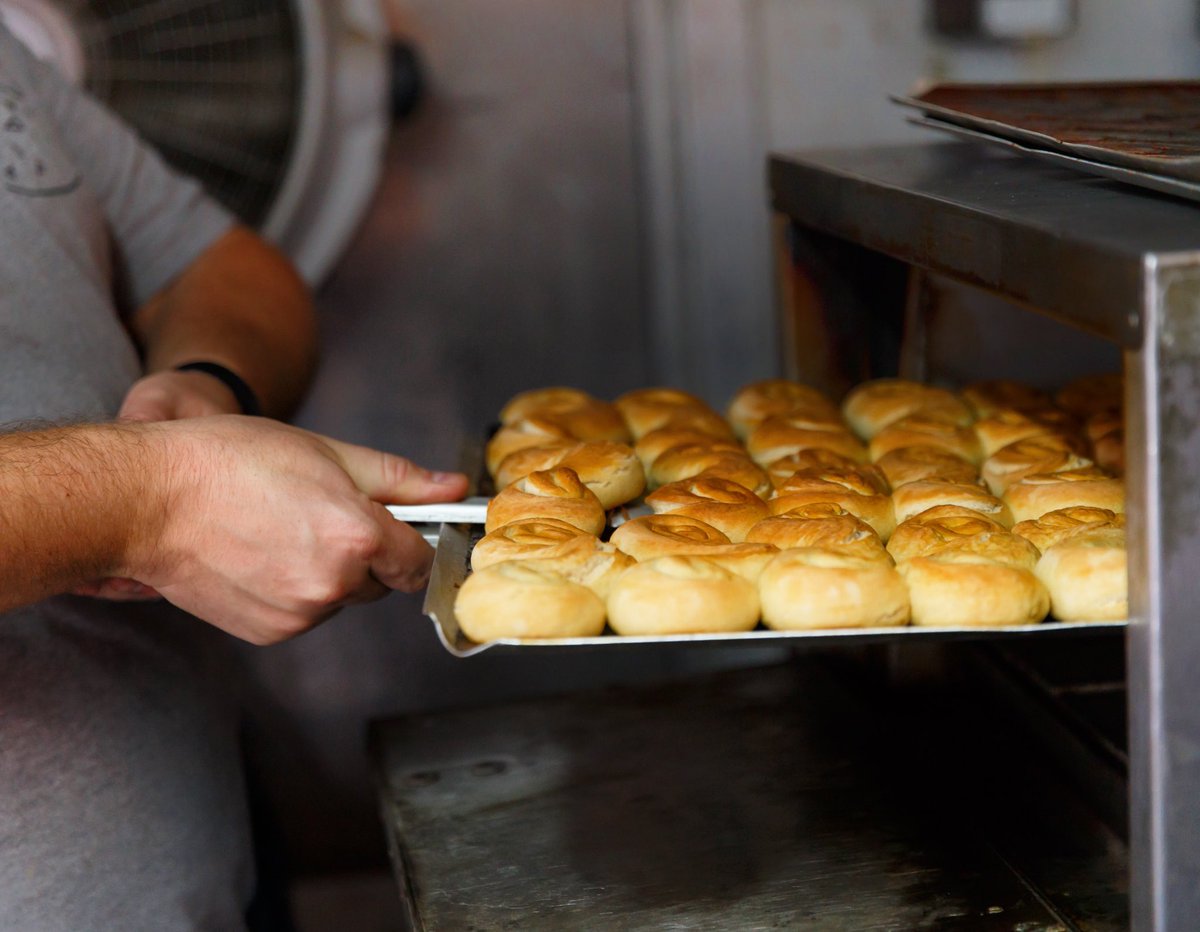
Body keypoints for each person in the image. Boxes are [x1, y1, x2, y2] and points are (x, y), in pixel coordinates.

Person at [0, 18, 467, 930]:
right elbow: (148, 495)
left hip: (202, 862)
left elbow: (220, 269)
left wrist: (209, 387)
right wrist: (153, 497)